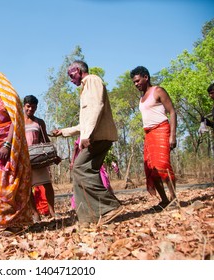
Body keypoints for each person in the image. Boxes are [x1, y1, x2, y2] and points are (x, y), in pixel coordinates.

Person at [52, 60, 123, 228]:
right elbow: (84, 122)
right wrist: (63, 131)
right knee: (80, 172)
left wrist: (88, 135)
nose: (70, 80)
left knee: (79, 168)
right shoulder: (86, 87)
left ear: (77, 70)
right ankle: (87, 217)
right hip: (95, 135)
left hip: (98, 137)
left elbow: (96, 108)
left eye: (71, 75)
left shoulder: (92, 80)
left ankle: (109, 207)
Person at [0, 70, 33, 234]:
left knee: (8, 185)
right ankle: (1, 223)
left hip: (8, 150)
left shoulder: (8, 99)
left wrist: (7, 144)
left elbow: (15, 122)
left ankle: (12, 223)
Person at [130, 66, 177, 210]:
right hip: (148, 134)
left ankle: (174, 199)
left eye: (138, 80)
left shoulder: (158, 91)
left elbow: (172, 112)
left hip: (162, 130)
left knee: (162, 165)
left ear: (146, 77)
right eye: (134, 82)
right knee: (151, 169)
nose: (136, 84)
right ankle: (164, 200)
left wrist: (173, 135)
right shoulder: (141, 98)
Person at [23, 94, 59, 221]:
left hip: (39, 158)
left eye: (33, 107)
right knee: (28, 188)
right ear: (24, 106)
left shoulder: (39, 122)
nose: (30, 110)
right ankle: (35, 214)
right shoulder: (18, 122)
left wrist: (54, 156)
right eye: (28, 107)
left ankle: (52, 212)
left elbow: (45, 140)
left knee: (47, 184)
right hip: (25, 159)